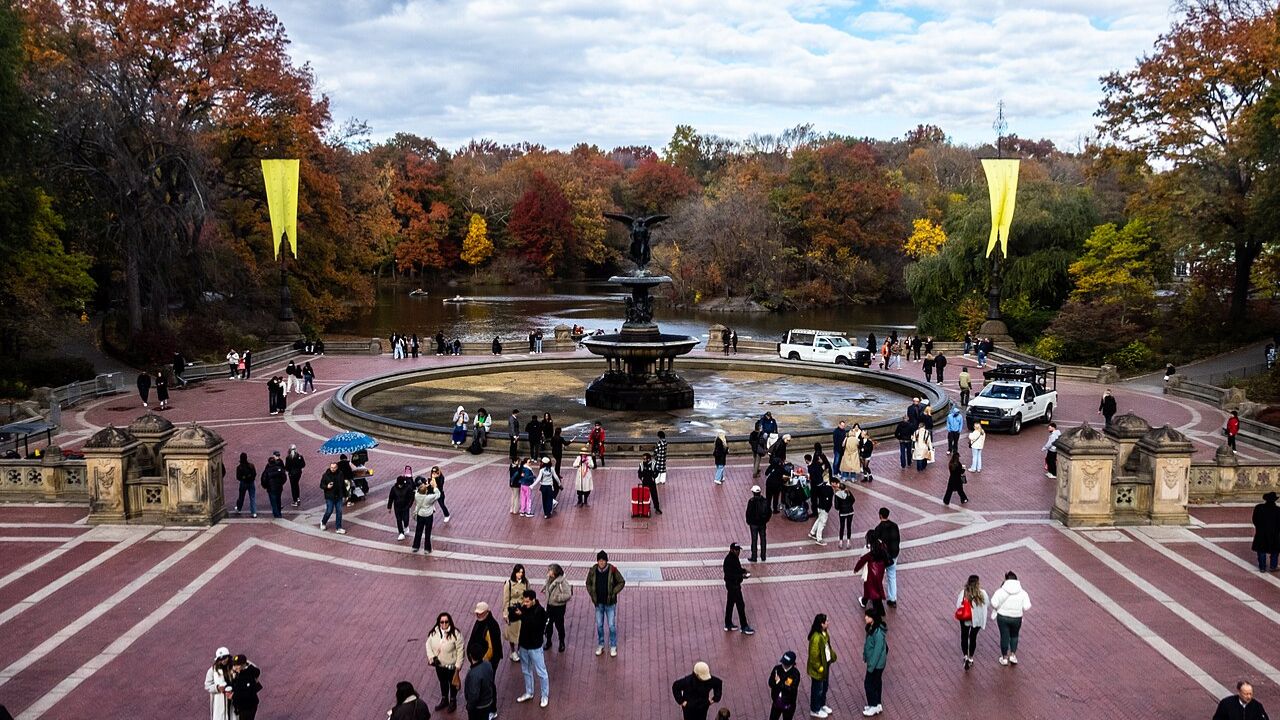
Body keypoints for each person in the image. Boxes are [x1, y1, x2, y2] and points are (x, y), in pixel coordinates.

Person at [512, 590, 550, 707]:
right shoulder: (524, 608)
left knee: (541, 672)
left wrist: (522, 615)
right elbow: (513, 618)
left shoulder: (540, 611)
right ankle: (529, 692)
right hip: (524, 646)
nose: (525, 603)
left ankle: (545, 695)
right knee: (526, 670)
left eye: (527, 601)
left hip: (535, 647)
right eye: (524, 600)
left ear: (533, 600)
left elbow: (534, 625)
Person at [585, 550, 625, 656]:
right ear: (597, 561)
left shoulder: (612, 570)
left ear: (606, 561)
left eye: (603, 560)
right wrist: (592, 593)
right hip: (598, 603)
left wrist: (613, 592)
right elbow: (588, 583)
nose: (601, 562)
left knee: (611, 625)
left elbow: (621, 582)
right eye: (600, 560)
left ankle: (613, 646)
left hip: (610, 603)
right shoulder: (593, 570)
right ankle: (601, 644)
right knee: (599, 625)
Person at [990, 570, 1031, 666]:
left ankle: (1004, 658)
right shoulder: (1023, 592)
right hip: (1017, 617)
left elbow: (994, 603)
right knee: (1014, 636)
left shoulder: (1000, 591)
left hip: (1002, 617)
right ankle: (1013, 655)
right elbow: (1027, 606)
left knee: (1004, 636)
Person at [425, 611, 464, 712]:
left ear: (449, 622)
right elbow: (428, 645)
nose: (444, 624)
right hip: (439, 665)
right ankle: (444, 699)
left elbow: (460, 650)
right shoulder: (434, 632)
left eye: (446, 622)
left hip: (451, 666)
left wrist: (458, 665)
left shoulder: (456, 634)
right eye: (441, 622)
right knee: (442, 682)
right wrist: (432, 657)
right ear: (438, 622)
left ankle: (453, 700)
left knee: (452, 684)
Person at [467, 601, 503, 689]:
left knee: (487, 682)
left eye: (480, 613)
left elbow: (491, 648)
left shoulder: (492, 626)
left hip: (486, 661)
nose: (478, 615)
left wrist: (481, 662)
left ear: (487, 612)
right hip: (478, 659)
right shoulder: (480, 621)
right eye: (477, 613)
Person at [956, 574, 989, 670]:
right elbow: (987, 603)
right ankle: (971, 658)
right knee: (973, 637)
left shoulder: (964, 593)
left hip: (965, 618)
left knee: (964, 636)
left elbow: (958, 605)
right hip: (978, 620)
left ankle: (965, 655)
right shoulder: (982, 593)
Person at [806, 614, 836, 719]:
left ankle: (821, 705)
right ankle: (815, 709)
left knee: (824, 687)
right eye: (826, 621)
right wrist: (819, 668)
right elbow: (813, 656)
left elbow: (827, 647)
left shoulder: (824, 633)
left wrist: (831, 656)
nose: (828, 622)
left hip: (825, 665)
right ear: (821, 624)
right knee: (817, 689)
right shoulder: (816, 638)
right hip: (819, 669)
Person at [861, 606, 887, 717]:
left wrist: (871, 665)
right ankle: (877, 703)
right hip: (875, 663)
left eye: (868, 616)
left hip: (876, 664)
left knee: (868, 684)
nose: (865, 617)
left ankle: (873, 705)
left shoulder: (878, 633)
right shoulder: (872, 628)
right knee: (876, 683)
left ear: (873, 618)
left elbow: (877, 651)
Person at [500, 565, 530, 662]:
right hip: (512, 611)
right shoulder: (509, 584)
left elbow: (529, 594)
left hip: (523, 609)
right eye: (518, 572)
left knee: (522, 631)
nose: (520, 574)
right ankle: (513, 652)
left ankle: (519, 650)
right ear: (514, 572)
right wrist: (505, 613)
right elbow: (505, 599)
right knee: (512, 632)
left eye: (522, 572)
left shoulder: (526, 582)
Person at [854, 530, 888, 613]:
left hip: (871, 573)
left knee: (872, 590)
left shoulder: (869, 551)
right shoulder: (881, 546)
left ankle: (876, 610)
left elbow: (862, 559)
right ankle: (878, 608)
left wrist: (856, 569)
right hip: (880, 571)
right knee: (877, 587)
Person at [722, 542, 753, 634]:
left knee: (730, 604)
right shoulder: (729, 560)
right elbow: (731, 574)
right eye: (736, 550)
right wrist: (742, 576)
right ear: (731, 550)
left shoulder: (733, 558)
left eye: (739, 550)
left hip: (733, 585)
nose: (738, 552)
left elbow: (737, 569)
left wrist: (743, 571)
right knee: (740, 605)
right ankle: (744, 626)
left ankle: (728, 624)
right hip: (733, 586)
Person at [542, 563, 572, 652]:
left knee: (559, 625)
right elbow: (547, 588)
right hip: (549, 605)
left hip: (559, 607)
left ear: (555, 572)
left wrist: (558, 598)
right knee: (548, 624)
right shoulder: (548, 579)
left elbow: (568, 594)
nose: (548, 572)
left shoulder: (562, 581)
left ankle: (561, 642)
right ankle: (548, 641)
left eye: (550, 570)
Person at [875, 508, 901, 607]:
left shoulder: (879, 528)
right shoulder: (895, 526)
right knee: (892, 576)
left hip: (883, 556)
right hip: (894, 554)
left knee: (879, 577)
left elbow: (877, 543)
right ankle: (892, 598)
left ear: (880, 515)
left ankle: (878, 596)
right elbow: (898, 539)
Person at [411, 476, 442, 554]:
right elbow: (438, 494)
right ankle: (427, 549)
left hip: (420, 514)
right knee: (427, 532)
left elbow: (419, 490)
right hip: (428, 515)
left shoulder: (417, 495)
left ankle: (415, 546)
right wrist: (434, 487)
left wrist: (425, 486)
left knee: (418, 531)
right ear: (426, 491)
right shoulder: (429, 498)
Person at [463, 648, 497, 720]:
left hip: (479, 707)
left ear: (471, 656)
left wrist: (469, 706)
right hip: (488, 701)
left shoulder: (474, 674)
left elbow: (474, 695)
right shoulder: (487, 664)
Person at [767, 651, 801, 720]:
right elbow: (770, 682)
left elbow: (791, 689)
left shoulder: (795, 674)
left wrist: (778, 683)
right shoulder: (777, 669)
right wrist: (777, 683)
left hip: (788, 705)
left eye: (786, 663)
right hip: (776, 702)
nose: (783, 665)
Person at [1252, 492, 1280, 572]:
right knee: (1275, 550)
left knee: (1261, 550)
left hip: (1261, 532)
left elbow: (1254, 519)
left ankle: (1262, 567)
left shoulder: (1259, 508)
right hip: (1274, 533)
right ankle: (1273, 566)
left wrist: (1259, 527)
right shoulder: (1278, 510)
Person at [228, 654, 262, 720]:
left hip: (248, 706)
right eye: (234, 665)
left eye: (237, 665)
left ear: (243, 665)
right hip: (242, 706)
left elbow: (247, 694)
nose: (235, 667)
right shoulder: (239, 673)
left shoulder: (247, 676)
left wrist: (233, 696)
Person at [205, 647, 234, 720]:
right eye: (220, 659)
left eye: (225, 658)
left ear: (228, 656)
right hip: (220, 701)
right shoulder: (212, 670)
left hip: (234, 697)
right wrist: (217, 688)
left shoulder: (235, 666)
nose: (223, 661)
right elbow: (207, 685)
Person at [388, 469, 415, 541]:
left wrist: (409, 505)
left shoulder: (408, 488)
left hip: (405, 506)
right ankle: (401, 533)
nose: (400, 485)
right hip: (397, 507)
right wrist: (389, 507)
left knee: (405, 518)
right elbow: (391, 497)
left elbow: (411, 497)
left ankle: (406, 526)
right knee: (399, 520)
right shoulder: (394, 489)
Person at [746, 484, 771, 562]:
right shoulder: (765, 501)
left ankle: (754, 557)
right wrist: (766, 520)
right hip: (762, 523)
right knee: (763, 539)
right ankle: (763, 556)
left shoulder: (751, 501)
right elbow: (769, 512)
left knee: (754, 540)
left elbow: (748, 513)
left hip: (753, 524)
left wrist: (749, 521)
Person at [320, 461, 346, 533]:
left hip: (339, 496)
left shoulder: (340, 474)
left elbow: (343, 485)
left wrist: (345, 495)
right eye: (331, 467)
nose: (333, 469)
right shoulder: (326, 475)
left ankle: (338, 527)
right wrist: (327, 486)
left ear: (337, 468)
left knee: (339, 511)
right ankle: (323, 522)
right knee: (329, 511)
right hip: (330, 496)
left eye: (334, 468)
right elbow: (321, 485)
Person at [810, 474, 833, 545]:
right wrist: (827, 508)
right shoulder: (829, 489)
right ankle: (819, 538)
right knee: (822, 523)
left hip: (820, 506)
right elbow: (828, 500)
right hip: (824, 508)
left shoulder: (821, 487)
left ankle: (812, 532)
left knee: (819, 519)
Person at [833, 481, 856, 549]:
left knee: (842, 527)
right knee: (849, 527)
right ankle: (848, 541)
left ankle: (841, 541)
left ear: (839, 488)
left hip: (842, 512)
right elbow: (853, 500)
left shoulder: (837, 495)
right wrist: (849, 505)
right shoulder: (848, 492)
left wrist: (840, 508)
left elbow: (836, 506)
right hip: (850, 511)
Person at [234, 452, 257, 518]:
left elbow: (238, 477)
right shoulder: (251, 465)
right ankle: (254, 512)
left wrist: (243, 478)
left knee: (241, 497)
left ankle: (239, 508)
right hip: (251, 482)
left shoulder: (239, 467)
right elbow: (254, 473)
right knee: (252, 497)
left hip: (243, 483)